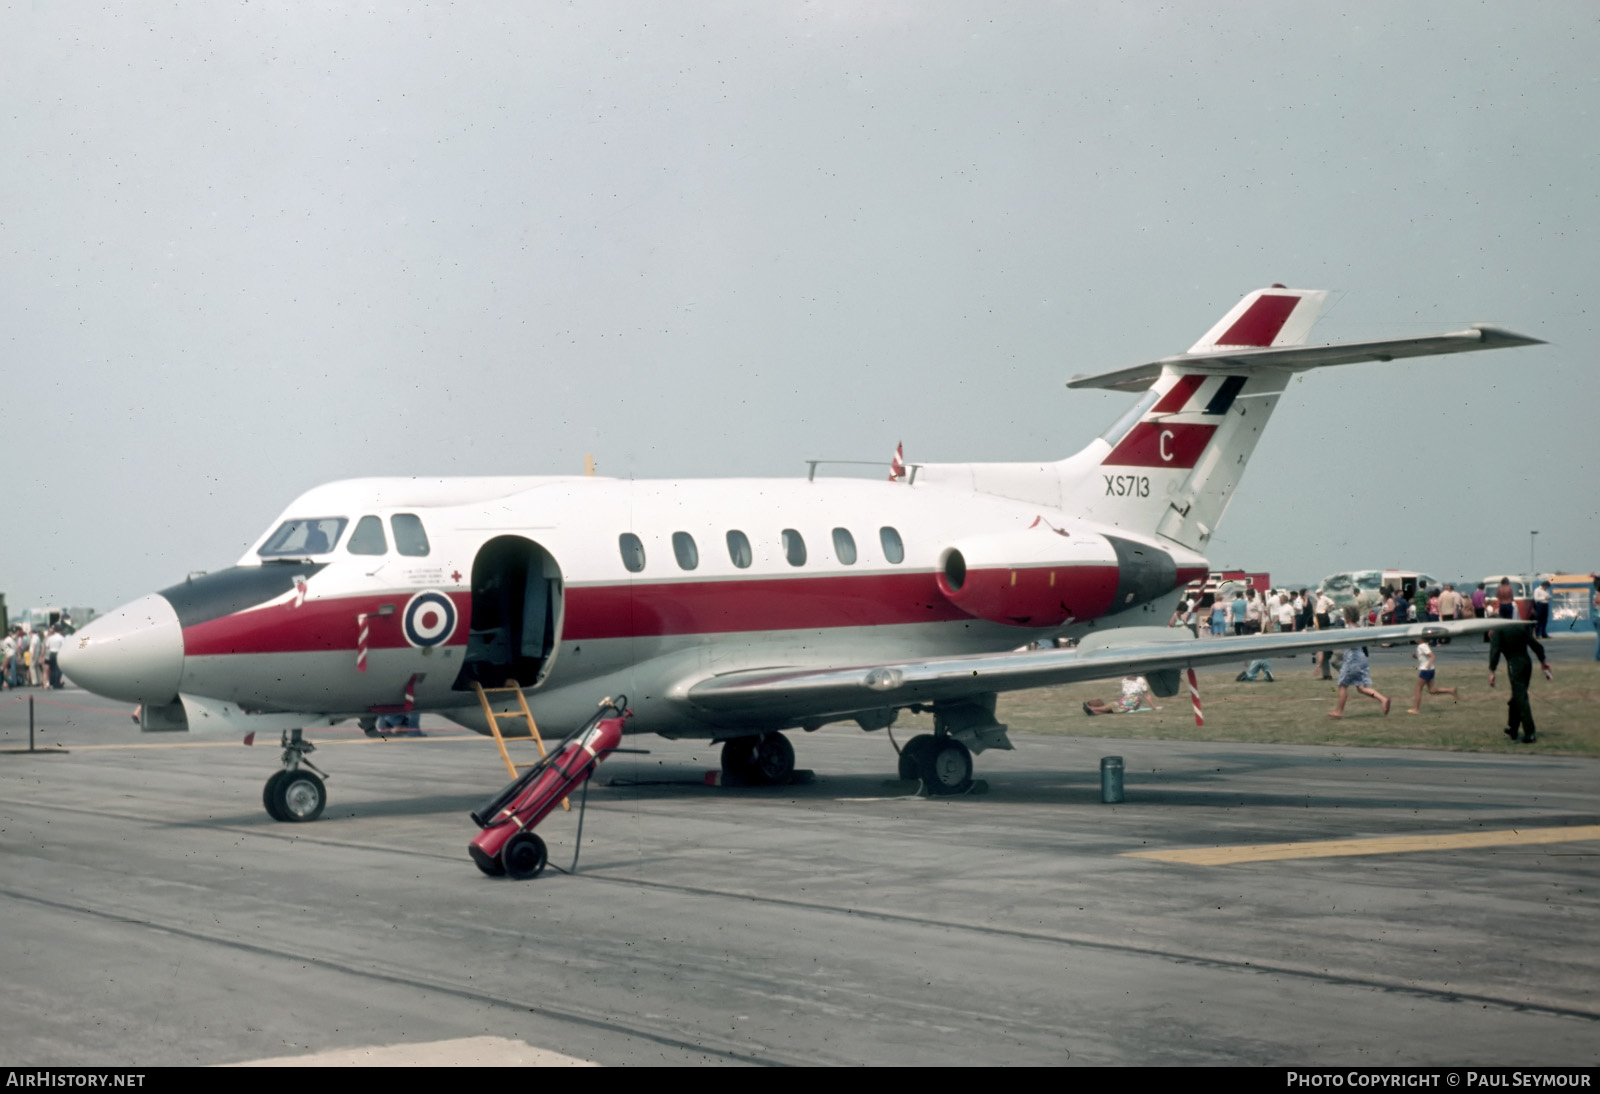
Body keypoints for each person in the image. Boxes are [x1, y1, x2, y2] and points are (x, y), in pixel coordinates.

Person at [1489, 623, 1550, 743]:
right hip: (1527, 663)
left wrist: (1492, 671)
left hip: (1515, 664)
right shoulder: (1518, 627)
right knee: (1517, 696)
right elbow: (1535, 644)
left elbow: (1494, 651)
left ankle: (1530, 732)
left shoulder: (1498, 630)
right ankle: (1513, 727)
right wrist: (1543, 661)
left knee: (1520, 697)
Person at [1329, 606, 1390, 718]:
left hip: (1353, 660)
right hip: (1361, 659)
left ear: (1347, 617)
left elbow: (1351, 645)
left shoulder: (1351, 630)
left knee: (1342, 685)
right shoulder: (1358, 628)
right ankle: (1383, 699)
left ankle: (1339, 711)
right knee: (1361, 687)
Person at [1406, 639, 1457, 712]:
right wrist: (1416, 657)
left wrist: (1428, 666)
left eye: (1417, 638)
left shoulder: (1422, 646)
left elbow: (1432, 656)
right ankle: (1451, 690)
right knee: (1432, 690)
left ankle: (1416, 709)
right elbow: (1424, 658)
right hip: (1429, 670)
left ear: (1421, 639)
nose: (1415, 639)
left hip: (1426, 670)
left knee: (1418, 689)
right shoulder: (1422, 646)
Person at [1083, 676, 1157, 715]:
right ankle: (1094, 713)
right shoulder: (1124, 680)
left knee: (1113, 705)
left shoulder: (1140, 679)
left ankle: (1092, 708)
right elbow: (1125, 694)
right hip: (1126, 700)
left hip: (1134, 701)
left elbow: (1147, 695)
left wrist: (1154, 707)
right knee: (1111, 708)